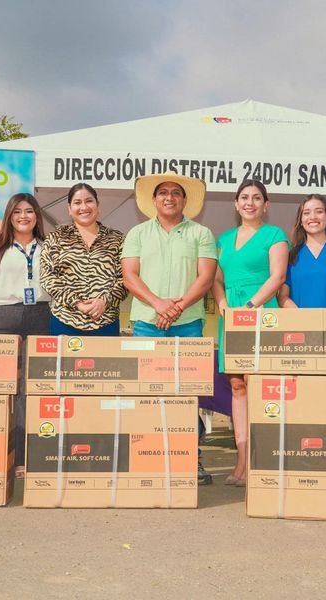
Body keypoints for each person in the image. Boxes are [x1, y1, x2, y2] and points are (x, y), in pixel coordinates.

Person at [122, 172, 217, 485]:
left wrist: (175, 307)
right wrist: (158, 304)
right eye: (163, 192)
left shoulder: (201, 233)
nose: (169, 197)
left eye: (176, 193)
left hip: (187, 325)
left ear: (185, 200)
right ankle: (148, 458)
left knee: (187, 396)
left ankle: (191, 459)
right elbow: (129, 276)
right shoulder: (137, 233)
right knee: (148, 396)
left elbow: (206, 277)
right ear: (154, 200)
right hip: (146, 325)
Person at [212, 179, 289, 487]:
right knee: (237, 385)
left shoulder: (275, 235)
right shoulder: (224, 238)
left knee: (257, 384)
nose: (250, 202)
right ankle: (241, 460)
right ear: (236, 203)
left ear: (266, 205)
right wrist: (222, 303)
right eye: (244, 197)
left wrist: (250, 306)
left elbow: (278, 276)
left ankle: (260, 460)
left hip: (261, 312)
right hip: (231, 316)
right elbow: (216, 279)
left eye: (257, 198)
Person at [0, 193, 49, 476]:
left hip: (41, 317)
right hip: (1, 317)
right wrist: (2, 304)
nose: (23, 217)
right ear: (9, 216)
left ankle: (24, 457)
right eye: (17, 211)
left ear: (37, 215)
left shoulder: (49, 247)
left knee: (31, 388)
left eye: (29, 211)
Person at [40, 183, 126, 336]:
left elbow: (126, 278)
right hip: (64, 321)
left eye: (89, 201)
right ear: (69, 209)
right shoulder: (56, 238)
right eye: (77, 202)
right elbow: (48, 277)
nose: (84, 207)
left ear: (98, 205)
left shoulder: (117, 239)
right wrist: (77, 303)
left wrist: (104, 301)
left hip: (106, 321)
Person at [278, 194, 326, 308]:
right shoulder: (291, 255)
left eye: (319, 211)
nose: (313, 217)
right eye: (306, 213)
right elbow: (283, 297)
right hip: (299, 319)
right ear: (300, 221)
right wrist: (302, 316)